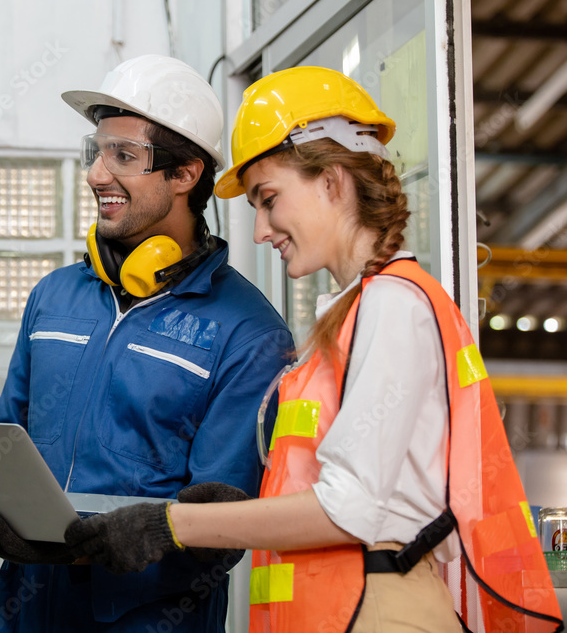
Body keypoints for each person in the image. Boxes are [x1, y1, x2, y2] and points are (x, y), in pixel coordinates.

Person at [65, 66, 564, 632]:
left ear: (331, 181)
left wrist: (170, 524)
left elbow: (350, 507)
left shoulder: (393, 307)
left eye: (269, 199)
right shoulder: (353, 312)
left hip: (379, 611)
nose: (260, 230)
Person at [0, 55, 295, 631]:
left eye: (124, 156)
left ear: (185, 174)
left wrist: (88, 547)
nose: (96, 174)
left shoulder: (248, 333)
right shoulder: (54, 296)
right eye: (97, 151)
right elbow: (4, 436)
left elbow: (227, 522)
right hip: (19, 612)